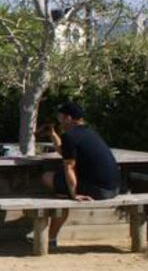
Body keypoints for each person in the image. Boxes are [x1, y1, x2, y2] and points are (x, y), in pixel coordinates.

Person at [39, 102, 120, 248]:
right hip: (113, 189)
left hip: (99, 191)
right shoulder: (90, 132)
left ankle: (50, 237)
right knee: (61, 190)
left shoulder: (70, 136)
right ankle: (51, 236)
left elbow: (69, 167)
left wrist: (73, 193)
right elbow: (65, 152)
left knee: (48, 178)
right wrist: (52, 134)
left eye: (60, 118)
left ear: (68, 118)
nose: (60, 122)